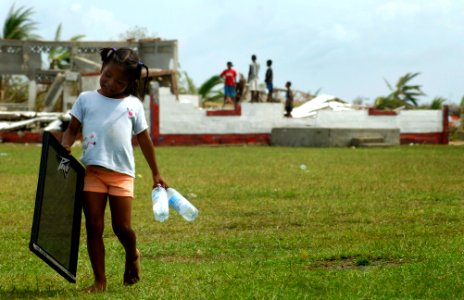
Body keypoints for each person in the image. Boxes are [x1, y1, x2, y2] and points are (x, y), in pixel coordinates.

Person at [62, 47, 168, 293]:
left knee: (122, 228)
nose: (111, 83)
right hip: (93, 175)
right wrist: (66, 144)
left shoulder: (133, 105)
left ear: (130, 82)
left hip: (122, 175)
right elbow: (72, 129)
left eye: (120, 81)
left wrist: (156, 173)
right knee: (94, 227)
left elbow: (144, 140)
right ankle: (100, 281)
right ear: (102, 69)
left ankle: (132, 253)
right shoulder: (86, 99)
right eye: (108, 75)